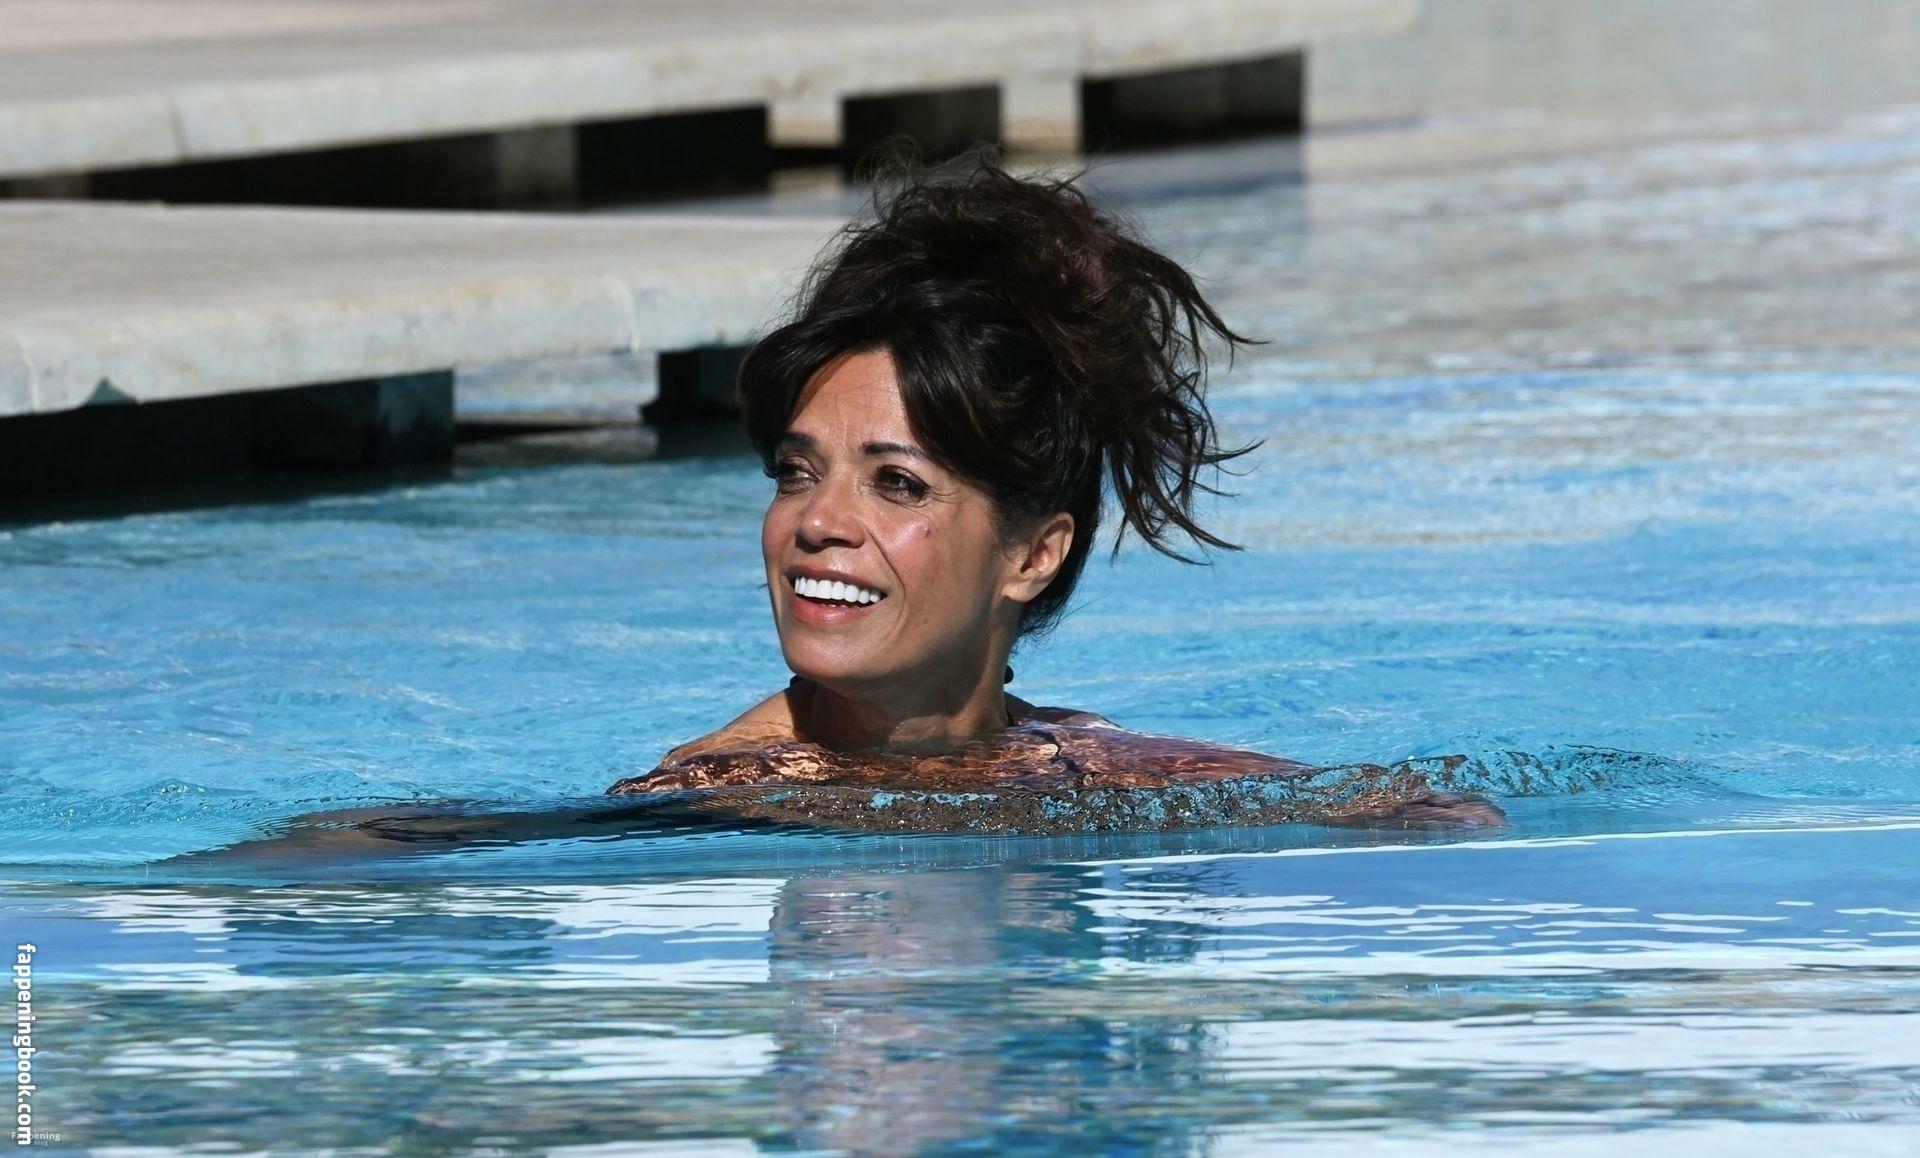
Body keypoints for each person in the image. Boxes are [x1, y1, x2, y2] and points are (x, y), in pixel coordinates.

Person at [607, 156, 1502, 829]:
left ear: (1034, 554)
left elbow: (1428, 809)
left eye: (897, 484)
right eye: (796, 472)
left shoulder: (1079, 762)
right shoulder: (714, 794)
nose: (818, 521)